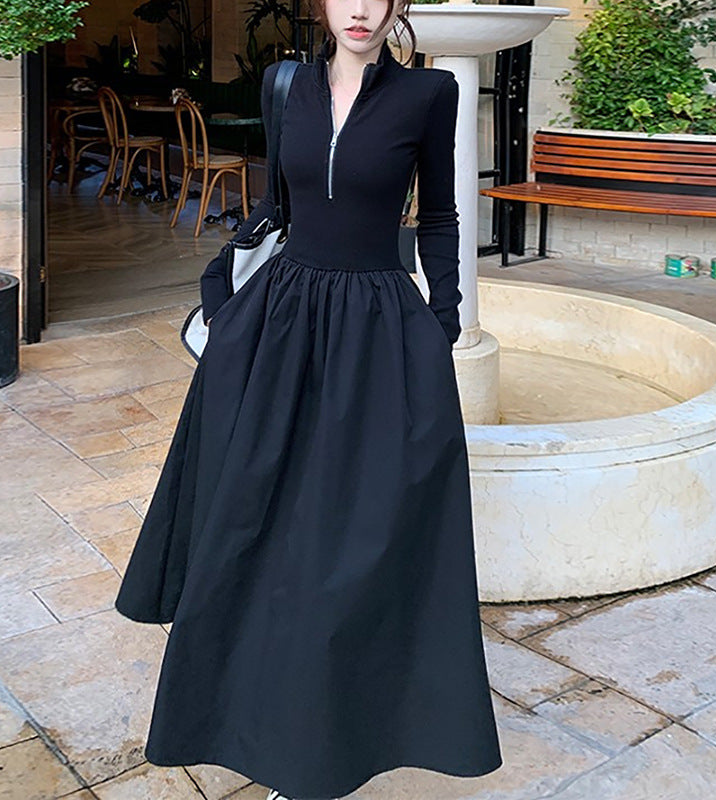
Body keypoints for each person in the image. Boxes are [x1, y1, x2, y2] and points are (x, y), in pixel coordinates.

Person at [113, 0, 503, 796]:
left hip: (377, 325)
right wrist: (222, 285)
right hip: (283, 320)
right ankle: (256, 718)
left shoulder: (430, 94)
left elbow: (438, 215)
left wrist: (443, 324)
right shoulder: (284, 84)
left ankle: (332, 735)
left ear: (396, 5)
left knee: (350, 534)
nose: (359, 9)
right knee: (258, 523)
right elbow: (274, 209)